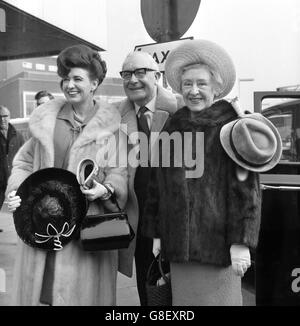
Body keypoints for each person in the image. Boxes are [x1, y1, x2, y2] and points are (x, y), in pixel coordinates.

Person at [142, 39, 280, 305]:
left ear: (216, 88)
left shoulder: (232, 128)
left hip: (218, 249)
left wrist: (241, 242)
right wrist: (158, 232)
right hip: (178, 247)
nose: (194, 91)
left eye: (201, 84)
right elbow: (158, 185)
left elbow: (246, 190)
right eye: (188, 84)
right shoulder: (174, 126)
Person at [6, 44, 130, 306]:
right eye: (65, 79)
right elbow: (24, 163)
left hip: (87, 231)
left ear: (94, 83)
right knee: (46, 295)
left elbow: (119, 173)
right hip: (43, 223)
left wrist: (105, 189)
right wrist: (17, 190)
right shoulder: (46, 120)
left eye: (77, 79)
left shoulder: (112, 127)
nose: (69, 85)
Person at [114, 51, 180, 306]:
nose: (133, 80)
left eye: (141, 72)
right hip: (140, 221)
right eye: (127, 74)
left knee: (180, 292)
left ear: (157, 76)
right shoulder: (114, 115)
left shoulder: (182, 107)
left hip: (177, 218)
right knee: (150, 289)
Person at [0, 105, 24, 214]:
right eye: (0, 116)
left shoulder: (18, 135)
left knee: (19, 205)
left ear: (9, 117)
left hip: (13, 178)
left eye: (5, 116)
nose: (2, 119)